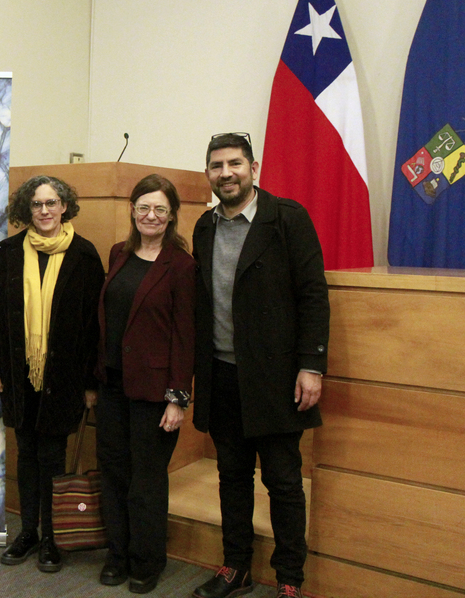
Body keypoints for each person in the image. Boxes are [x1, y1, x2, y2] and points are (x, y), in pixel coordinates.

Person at [191, 133, 329, 598]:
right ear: (208, 174)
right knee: (231, 478)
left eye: (234, 163)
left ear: (255, 168)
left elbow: (313, 294)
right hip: (221, 376)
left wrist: (312, 365)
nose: (225, 173)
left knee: (284, 483)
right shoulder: (204, 227)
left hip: (274, 379)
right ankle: (236, 567)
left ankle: (290, 580)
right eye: (216, 166)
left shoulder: (286, 219)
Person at [0, 175, 105, 573]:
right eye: (37, 205)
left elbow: (94, 326)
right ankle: (28, 532)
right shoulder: (9, 254)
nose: (45, 211)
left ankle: (53, 537)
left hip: (63, 377)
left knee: (52, 456)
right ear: (27, 210)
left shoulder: (84, 256)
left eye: (52, 203)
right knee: (27, 454)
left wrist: (90, 382)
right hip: (18, 373)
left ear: (65, 206)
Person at [94, 173, 195, 595]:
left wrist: (178, 399)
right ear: (133, 210)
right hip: (113, 386)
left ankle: (147, 560)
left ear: (171, 216)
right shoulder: (118, 253)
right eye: (143, 208)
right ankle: (117, 555)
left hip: (156, 394)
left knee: (146, 481)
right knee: (114, 473)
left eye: (159, 209)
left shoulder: (182, 265)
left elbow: (185, 336)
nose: (150, 216)